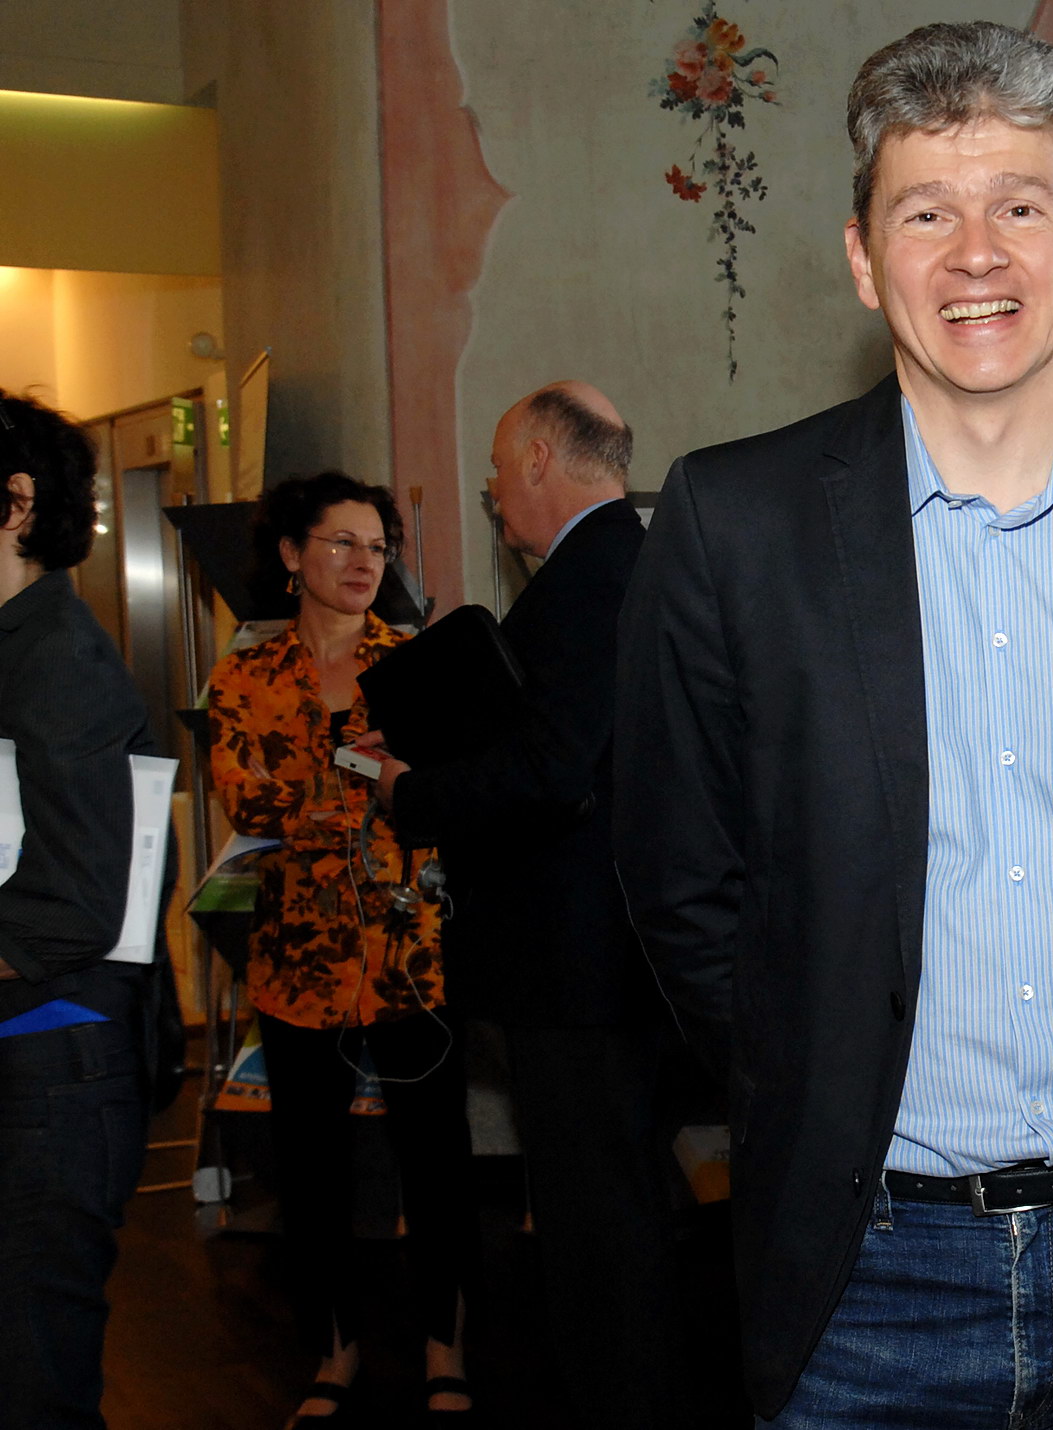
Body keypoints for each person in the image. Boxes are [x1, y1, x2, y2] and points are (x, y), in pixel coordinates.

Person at [614, 20, 1053, 1428]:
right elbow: (678, 876)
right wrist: (806, 1073)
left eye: (1021, 207)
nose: (976, 255)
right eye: (926, 213)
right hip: (864, 1277)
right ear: (862, 258)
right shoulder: (732, 522)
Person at [364, 382, 690, 1426]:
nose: (496, 491)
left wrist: (412, 792)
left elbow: (554, 770)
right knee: (619, 1208)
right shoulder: (628, 564)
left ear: (542, 459)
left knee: (600, 1231)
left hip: (580, 965)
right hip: (614, 957)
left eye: (501, 469)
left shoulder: (592, 580)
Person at [204, 472, 477, 1425]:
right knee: (312, 1172)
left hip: (412, 954)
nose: (364, 562)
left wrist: (358, 791)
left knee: (436, 1165)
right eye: (341, 543)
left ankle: (446, 1351)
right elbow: (246, 798)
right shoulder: (243, 677)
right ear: (291, 554)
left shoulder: (417, 664)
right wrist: (369, 780)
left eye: (377, 547)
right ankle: (334, 1353)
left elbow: (447, 787)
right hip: (296, 962)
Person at [0, 390, 165, 1430]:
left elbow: (76, 904)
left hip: (53, 1069)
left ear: (15, 502)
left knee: (36, 1384)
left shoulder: (56, 654)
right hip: (34, 1054)